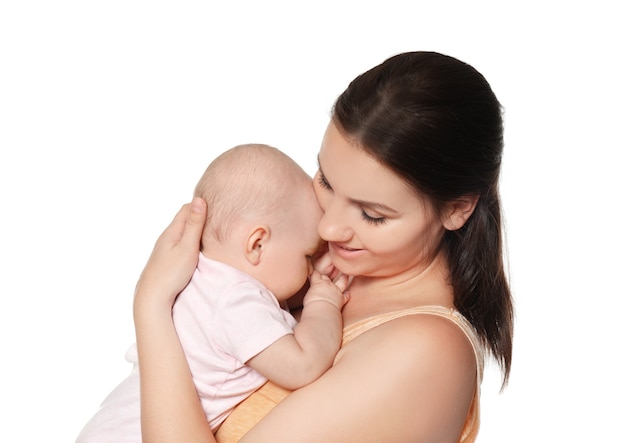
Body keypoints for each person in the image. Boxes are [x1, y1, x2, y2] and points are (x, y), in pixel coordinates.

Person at [132, 51, 514, 443]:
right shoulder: (312, 263)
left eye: (372, 214)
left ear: (456, 209)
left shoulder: (426, 353)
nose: (327, 225)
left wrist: (151, 304)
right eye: (326, 181)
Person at [76, 144, 349, 442]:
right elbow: (302, 365)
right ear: (257, 244)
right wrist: (323, 302)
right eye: (308, 256)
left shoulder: (203, 279)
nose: (312, 271)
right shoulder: (236, 300)